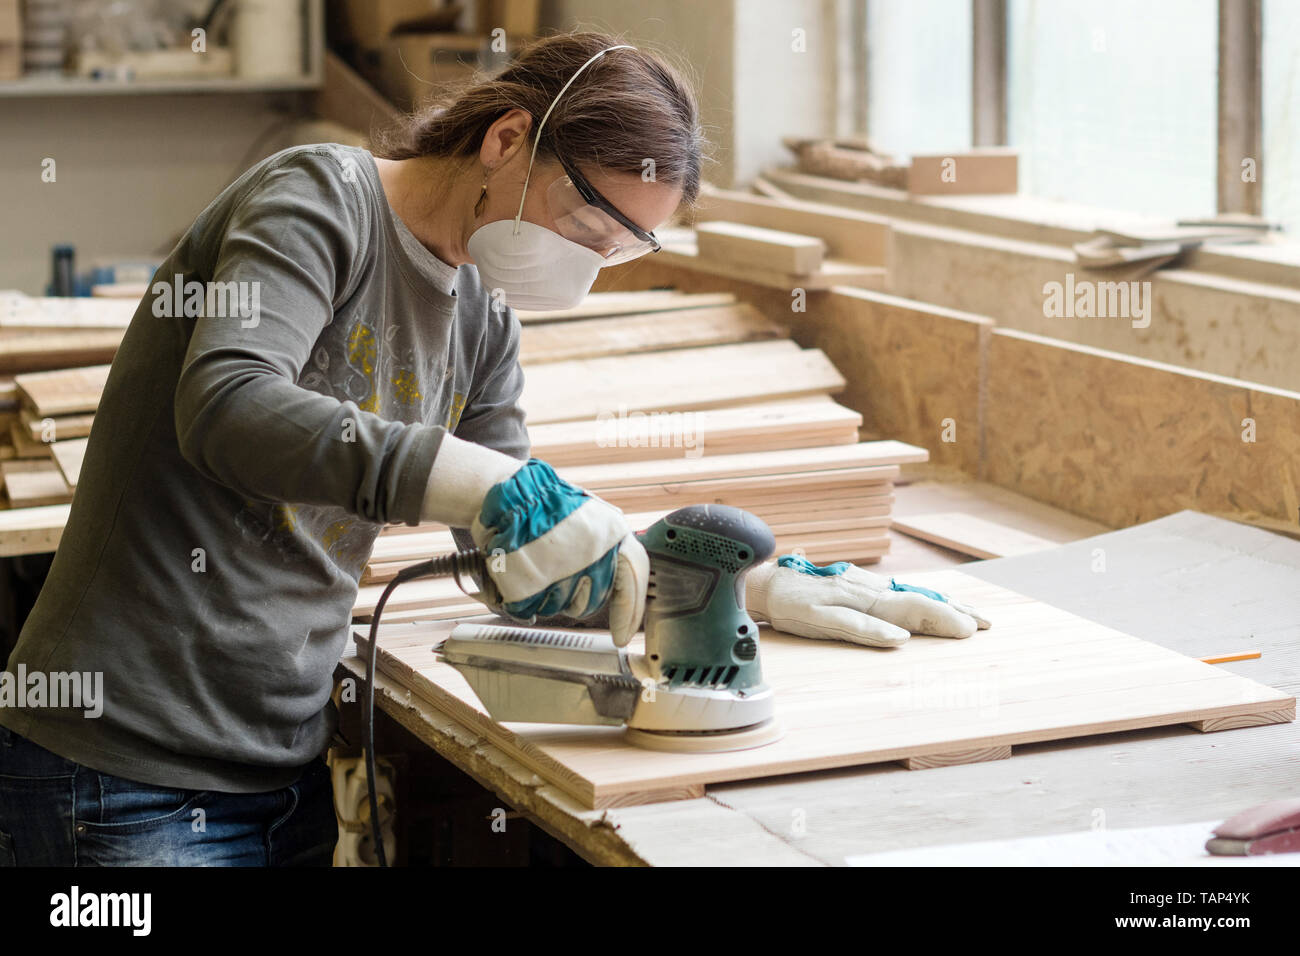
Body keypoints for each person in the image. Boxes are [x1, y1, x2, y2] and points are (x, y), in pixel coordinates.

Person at [0, 33, 697, 867]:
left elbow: (521, 553)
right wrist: (465, 479)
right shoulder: (318, 198)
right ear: (507, 139)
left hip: (283, 769)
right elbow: (228, 403)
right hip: (121, 776)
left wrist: (698, 582)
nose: (585, 266)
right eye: (585, 223)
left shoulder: (484, 318)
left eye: (614, 251)